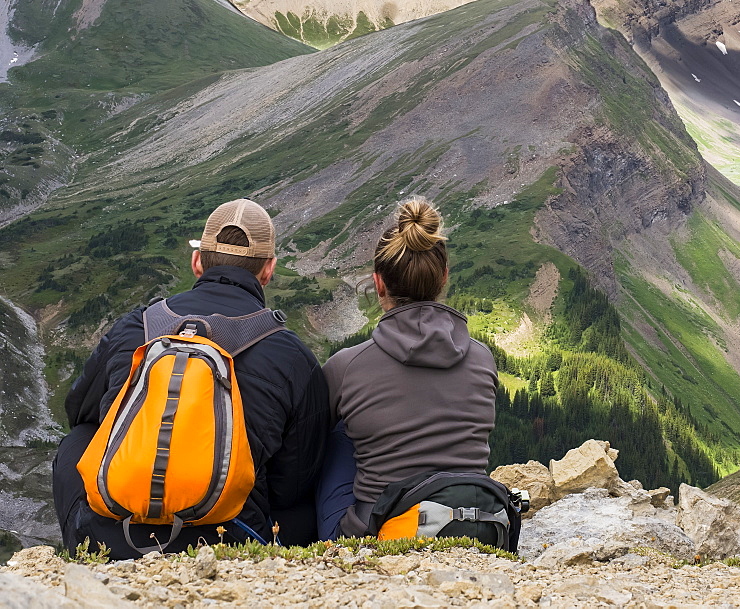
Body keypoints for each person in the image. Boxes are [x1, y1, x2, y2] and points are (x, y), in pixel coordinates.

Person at [53, 198, 329, 557]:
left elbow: (80, 411)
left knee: (79, 438)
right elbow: (291, 485)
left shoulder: (136, 326)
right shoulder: (292, 356)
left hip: (115, 533)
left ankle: (91, 553)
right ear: (268, 270)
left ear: (197, 261)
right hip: (228, 538)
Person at [318, 198, 498, 539]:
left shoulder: (345, 366)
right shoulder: (483, 358)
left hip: (382, 533)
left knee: (338, 431)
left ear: (379, 283)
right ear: (443, 277)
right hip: (474, 525)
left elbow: (307, 455)